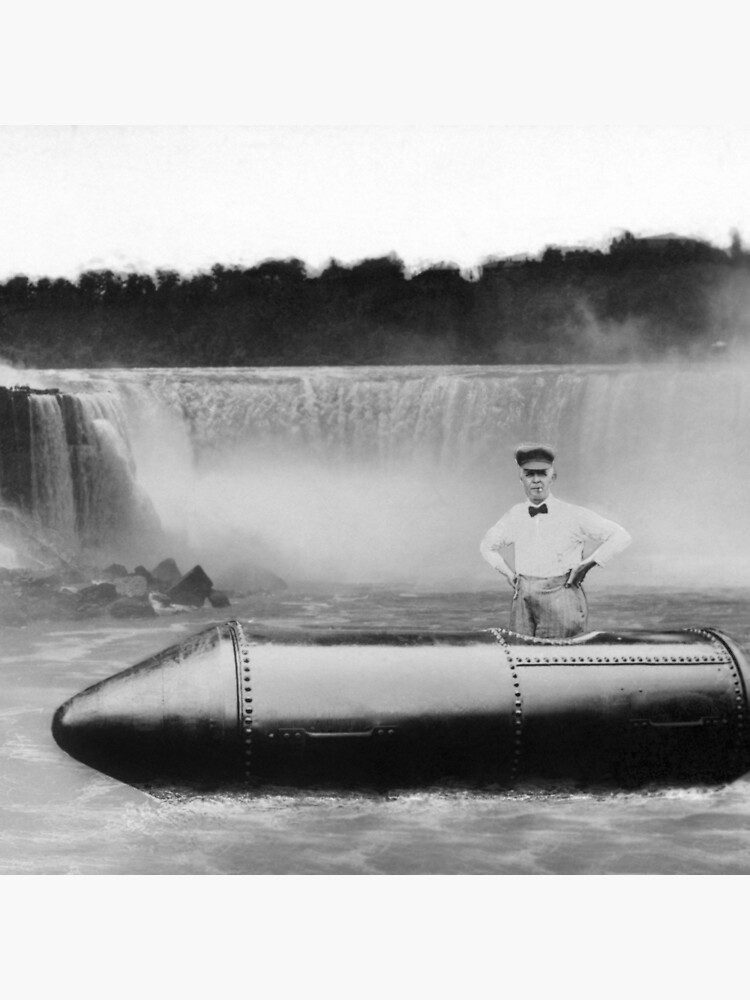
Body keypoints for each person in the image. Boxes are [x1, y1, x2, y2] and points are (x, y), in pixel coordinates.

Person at [480, 443, 631, 638]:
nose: (536, 481)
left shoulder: (574, 515)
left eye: (542, 474)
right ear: (521, 479)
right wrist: (509, 574)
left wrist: (588, 564)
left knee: (559, 660)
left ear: (553, 477)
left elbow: (621, 536)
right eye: (529, 474)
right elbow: (487, 546)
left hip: (562, 598)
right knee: (524, 658)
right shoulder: (515, 515)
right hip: (523, 600)